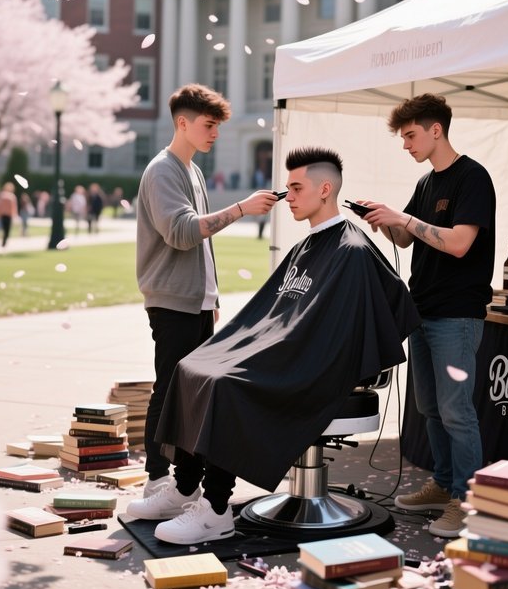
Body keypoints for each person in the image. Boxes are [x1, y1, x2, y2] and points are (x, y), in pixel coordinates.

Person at [127, 146, 420, 545]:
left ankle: (216, 511)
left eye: (297, 188)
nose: (289, 197)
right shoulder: (307, 247)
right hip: (287, 354)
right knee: (191, 367)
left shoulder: (350, 251)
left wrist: (259, 355)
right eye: (288, 188)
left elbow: (330, 334)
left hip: (311, 367)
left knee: (224, 384)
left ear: (325, 189)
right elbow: (272, 318)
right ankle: (184, 489)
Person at [135, 83, 278, 503]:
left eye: (217, 126)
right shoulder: (162, 170)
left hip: (195, 302)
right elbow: (181, 233)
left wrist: (210, 298)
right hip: (170, 301)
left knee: (190, 393)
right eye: (209, 125)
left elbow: (201, 241)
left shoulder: (193, 170)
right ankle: (157, 477)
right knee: (169, 390)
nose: (215, 133)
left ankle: (182, 482)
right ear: (183, 123)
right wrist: (241, 208)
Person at [361, 93, 496, 539]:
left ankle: (468, 501)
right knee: (430, 407)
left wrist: (405, 219)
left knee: (456, 411)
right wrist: (386, 221)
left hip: (457, 317)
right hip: (423, 311)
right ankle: (442, 485)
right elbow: (408, 241)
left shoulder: (473, 178)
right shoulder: (425, 184)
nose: (406, 145)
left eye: (411, 135)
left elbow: (458, 243)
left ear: (436, 129)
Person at [0, 182, 19, 247]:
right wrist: (15, 215)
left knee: (3, 229)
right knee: (7, 230)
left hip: (3, 215)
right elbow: (14, 207)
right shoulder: (12, 196)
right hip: (8, 215)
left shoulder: (2, 195)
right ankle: (4, 242)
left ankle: (3, 240)